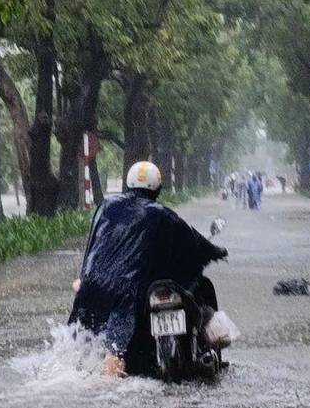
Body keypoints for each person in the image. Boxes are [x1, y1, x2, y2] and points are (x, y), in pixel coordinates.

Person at [69, 161, 227, 377]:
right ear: (158, 189)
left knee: (94, 342)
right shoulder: (162, 214)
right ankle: (108, 381)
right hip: (132, 290)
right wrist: (216, 251)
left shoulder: (106, 207)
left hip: (98, 284)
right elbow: (193, 243)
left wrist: (85, 278)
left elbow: (93, 247)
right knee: (116, 347)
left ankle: (106, 373)